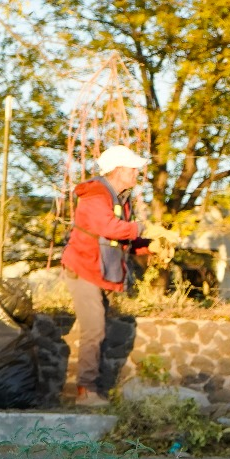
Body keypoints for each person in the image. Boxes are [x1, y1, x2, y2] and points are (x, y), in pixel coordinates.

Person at [60, 145, 152, 407]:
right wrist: (142, 227)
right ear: (119, 170)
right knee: (94, 330)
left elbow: (122, 237)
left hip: (95, 270)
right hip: (84, 269)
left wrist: (150, 245)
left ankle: (92, 389)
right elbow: (108, 227)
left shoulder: (119, 198)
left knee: (97, 330)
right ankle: (85, 392)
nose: (137, 173)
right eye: (133, 168)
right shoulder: (96, 195)